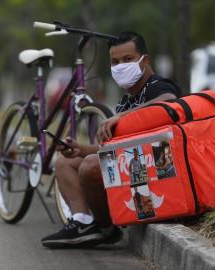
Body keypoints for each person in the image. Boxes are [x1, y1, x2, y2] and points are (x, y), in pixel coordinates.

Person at [41, 31, 181, 248]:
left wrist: (122, 116)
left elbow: (170, 102)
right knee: (65, 162)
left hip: (160, 169)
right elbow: (114, 150)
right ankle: (82, 222)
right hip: (134, 165)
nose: (121, 66)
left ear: (145, 60)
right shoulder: (127, 100)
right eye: (115, 62)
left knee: (90, 167)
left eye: (128, 59)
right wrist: (81, 149)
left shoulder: (158, 85)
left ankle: (105, 229)